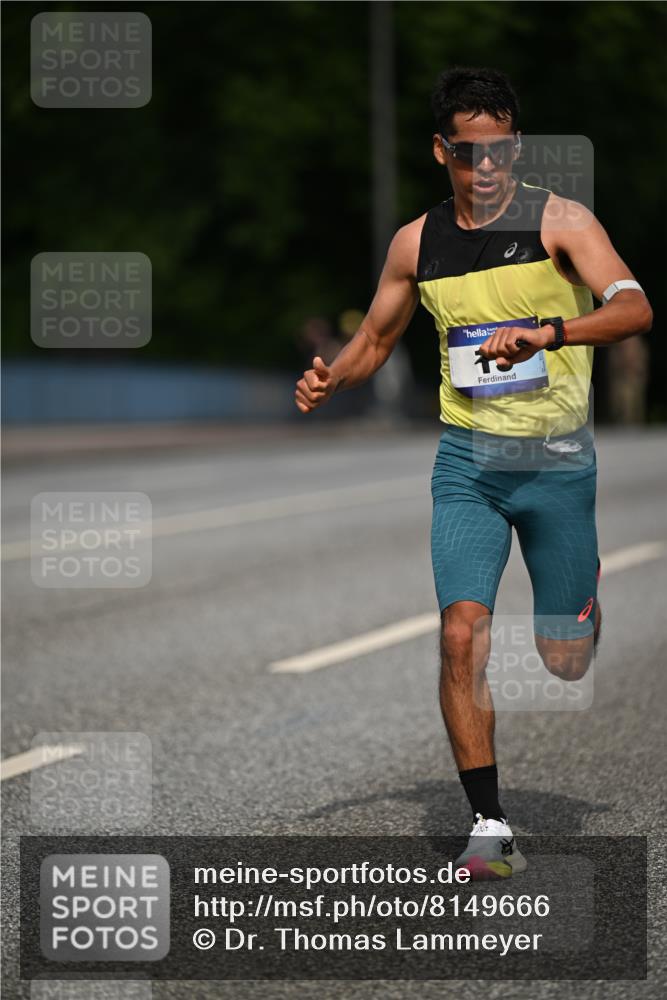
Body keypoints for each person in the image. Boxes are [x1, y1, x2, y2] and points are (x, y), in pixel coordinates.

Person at [294, 67, 652, 879]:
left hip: (556, 466)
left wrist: (549, 332)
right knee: (460, 633)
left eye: (497, 151)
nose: (483, 167)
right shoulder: (416, 243)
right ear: (440, 151)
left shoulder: (561, 222)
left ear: (514, 148)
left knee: (563, 660)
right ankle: (489, 825)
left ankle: (581, 592)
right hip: (468, 466)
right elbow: (378, 339)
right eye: (466, 152)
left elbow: (633, 308)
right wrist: (332, 377)